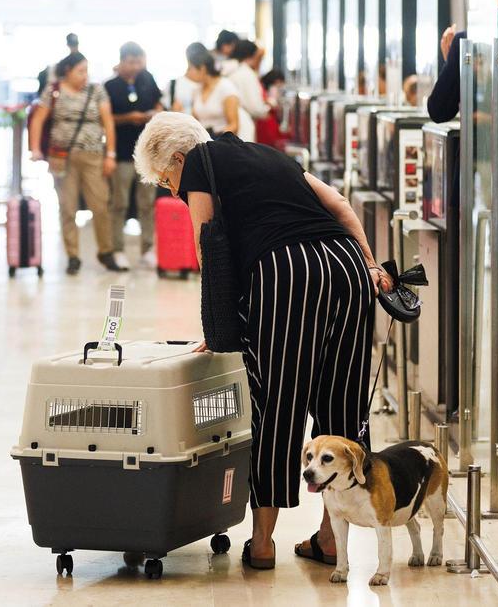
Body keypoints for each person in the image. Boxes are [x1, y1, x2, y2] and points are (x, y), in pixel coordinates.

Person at [133, 111, 393, 571]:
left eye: (166, 180)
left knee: (277, 402)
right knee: (345, 402)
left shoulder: (198, 165)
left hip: (286, 273)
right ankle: (331, 538)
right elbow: (341, 207)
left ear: (177, 157)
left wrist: (218, 331)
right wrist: (371, 266)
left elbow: (207, 247)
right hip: (346, 266)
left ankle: (263, 542)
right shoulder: (267, 154)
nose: (173, 191)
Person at [28, 52, 121, 275]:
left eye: (86, 70)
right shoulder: (54, 89)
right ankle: (72, 255)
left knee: (100, 204)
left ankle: (106, 251)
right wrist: (35, 149)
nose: (85, 75)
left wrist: (111, 154)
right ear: (67, 71)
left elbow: (107, 122)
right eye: (80, 71)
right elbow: (38, 118)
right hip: (61, 157)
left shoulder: (96, 90)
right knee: (67, 207)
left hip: (93, 155)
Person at [104, 42, 164, 270]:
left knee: (147, 203)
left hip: (147, 153)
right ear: (122, 61)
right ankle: (117, 249)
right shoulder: (110, 86)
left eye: (139, 61)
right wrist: (130, 117)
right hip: (121, 152)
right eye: (132, 61)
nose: (136, 66)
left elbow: (159, 105)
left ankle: (148, 248)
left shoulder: (148, 79)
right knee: (119, 203)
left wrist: (153, 114)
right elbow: (107, 118)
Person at [186, 44, 252, 141]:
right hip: (204, 141)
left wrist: (214, 139)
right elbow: (195, 120)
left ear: (202, 68)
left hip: (222, 141)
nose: (187, 73)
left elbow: (234, 125)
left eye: (190, 68)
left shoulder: (226, 88)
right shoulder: (197, 90)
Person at [223, 40, 270, 141]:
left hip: (225, 125)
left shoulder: (225, 70)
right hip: (242, 124)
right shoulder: (246, 74)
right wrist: (267, 108)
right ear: (251, 56)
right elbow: (255, 107)